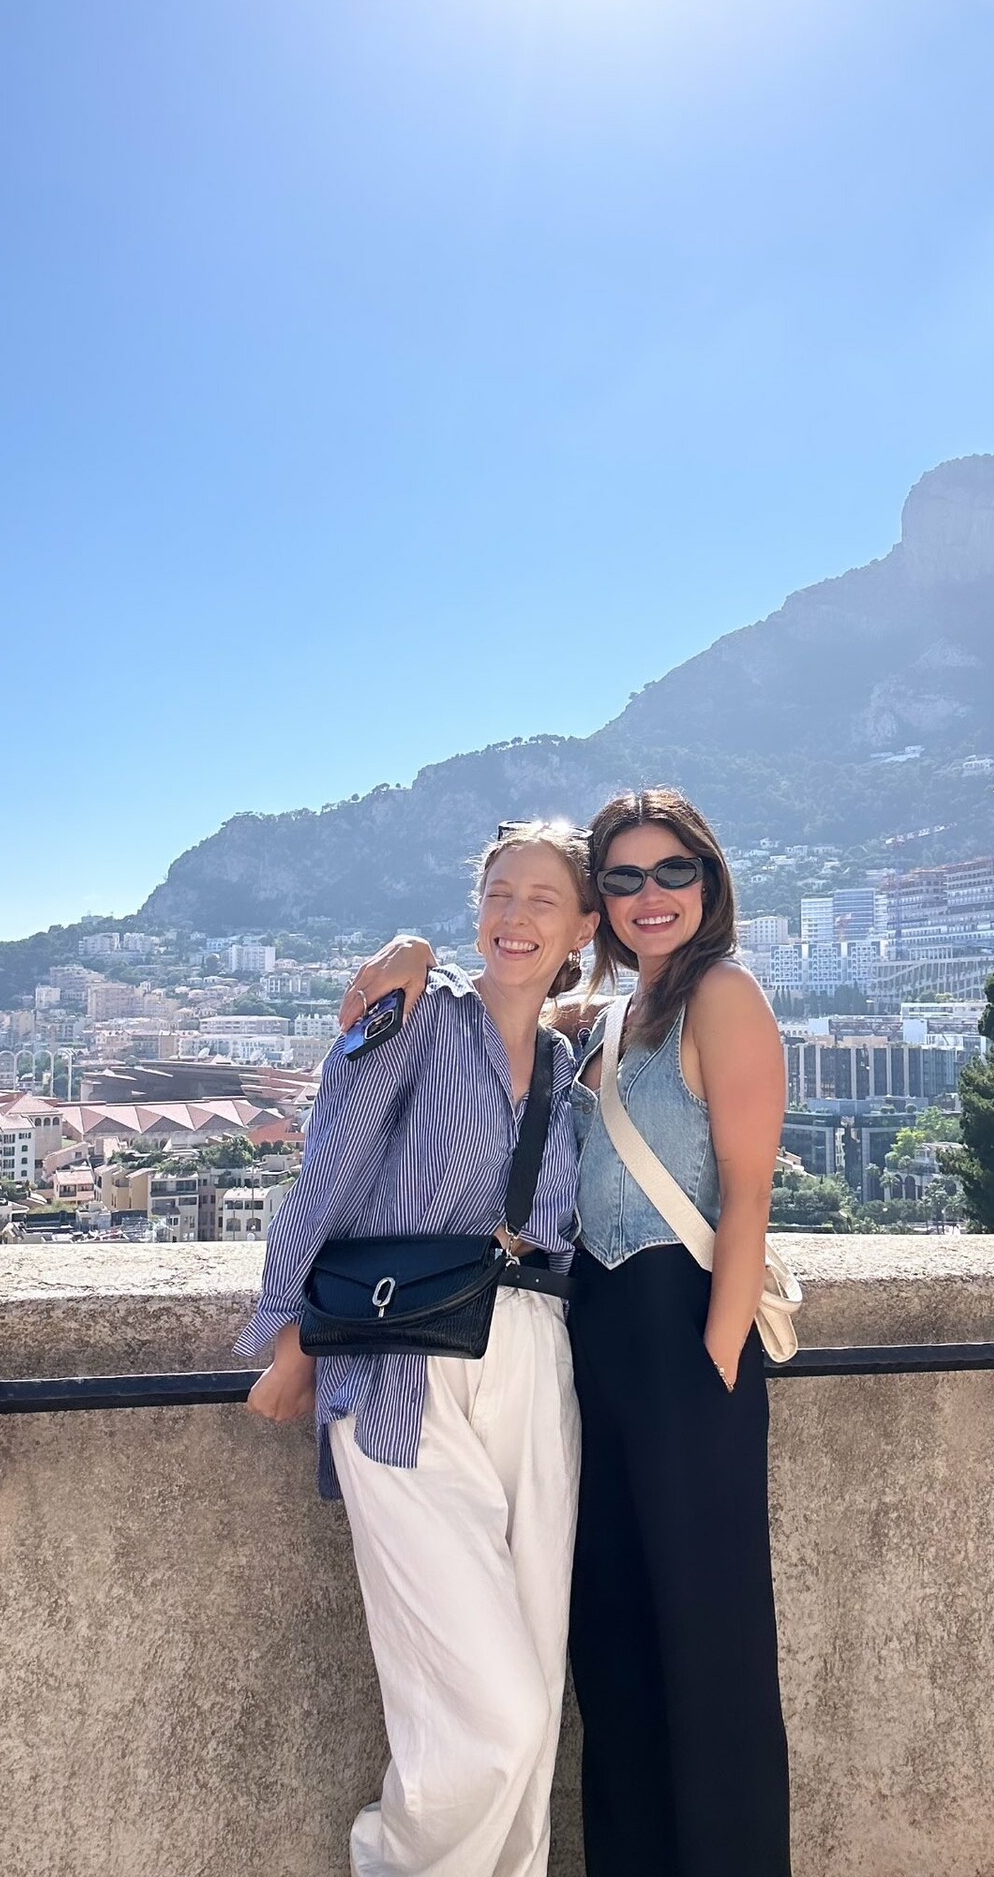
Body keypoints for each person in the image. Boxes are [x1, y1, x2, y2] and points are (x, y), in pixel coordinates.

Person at [344, 786, 793, 1877]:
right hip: (593, 1342)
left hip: (683, 1338)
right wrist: (411, 950)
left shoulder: (724, 994)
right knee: (616, 1643)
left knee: (708, 1643)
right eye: (625, 877)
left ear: (710, 880)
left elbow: (748, 1195)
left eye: (673, 871)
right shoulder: (613, 1017)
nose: (650, 895)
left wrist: (714, 1362)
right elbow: (501, 1002)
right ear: (602, 908)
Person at [235, 821, 599, 1877]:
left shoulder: (575, 1063)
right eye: (498, 894)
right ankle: (392, 1860)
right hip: (402, 1369)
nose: (514, 917)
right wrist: (293, 1335)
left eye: (542, 899)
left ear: (584, 927)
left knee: (535, 1685)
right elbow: (332, 1168)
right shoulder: (417, 1020)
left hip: (537, 1362)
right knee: (494, 1713)